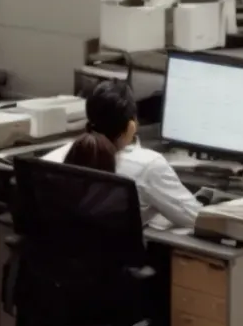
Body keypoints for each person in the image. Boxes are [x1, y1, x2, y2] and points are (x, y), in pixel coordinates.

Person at [44, 79, 204, 230]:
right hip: (110, 258)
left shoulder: (53, 159)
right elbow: (197, 219)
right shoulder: (148, 166)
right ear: (131, 127)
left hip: (56, 256)